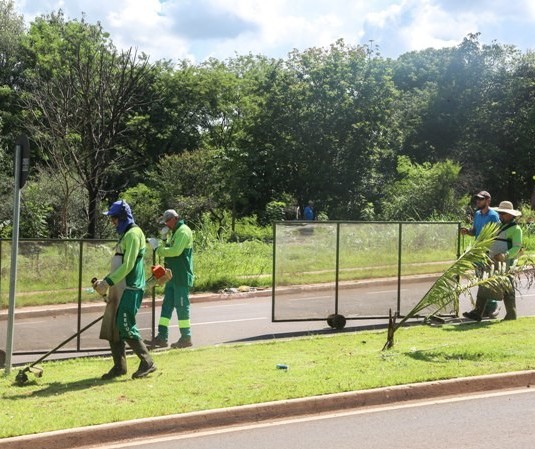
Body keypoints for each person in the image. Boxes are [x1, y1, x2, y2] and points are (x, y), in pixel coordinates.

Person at [93, 200, 157, 379]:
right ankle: (119, 367)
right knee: (114, 326)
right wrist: (105, 281)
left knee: (125, 324)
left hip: (130, 287)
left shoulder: (134, 234)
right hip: (118, 286)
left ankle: (147, 362)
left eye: (113, 219)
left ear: (122, 218)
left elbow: (128, 265)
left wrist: (107, 282)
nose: (112, 223)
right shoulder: (126, 234)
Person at [463, 201, 523, 322]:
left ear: (511, 215)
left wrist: (505, 255)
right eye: (500, 213)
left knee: (507, 288)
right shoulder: (499, 226)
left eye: (504, 214)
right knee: (485, 283)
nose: (501, 216)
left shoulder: (516, 229)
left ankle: (511, 314)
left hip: (506, 263)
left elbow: (517, 247)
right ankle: (478, 312)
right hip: (492, 261)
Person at [145, 209, 194, 349]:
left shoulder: (183, 231)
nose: (166, 224)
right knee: (166, 307)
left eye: (168, 221)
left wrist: (157, 249)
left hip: (181, 276)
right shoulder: (175, 232)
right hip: (171, 275)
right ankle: (161, 337)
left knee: (182, 307)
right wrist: (164, 239)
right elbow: (169, 249)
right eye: (165, 222)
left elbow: (175, 252)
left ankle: (186, 338)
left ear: (175, 218)